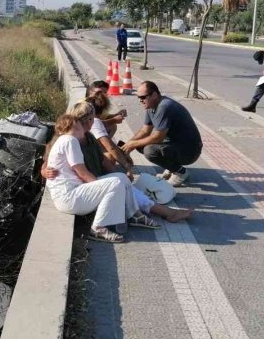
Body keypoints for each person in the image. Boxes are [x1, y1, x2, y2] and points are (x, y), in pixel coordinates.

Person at [42, 103, 193, 225]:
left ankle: (147, 214)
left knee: (128, 187)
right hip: (83, 188)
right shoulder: (67, 139)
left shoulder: (88, 136)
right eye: (88, 119)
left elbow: (103, 159)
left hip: (93, 181)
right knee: (132, 192)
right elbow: (49, 160)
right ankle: (167, 213)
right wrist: (44, 171)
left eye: (91, 119)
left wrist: (120, 174)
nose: (91, 122)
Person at [44, 114, 158, 243]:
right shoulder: (70, 140)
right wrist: (103, 187)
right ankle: (98, 228)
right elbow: (82, 173)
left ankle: (133, 214)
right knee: (115, 182)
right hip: (69, 198)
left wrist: (105, 186)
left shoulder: (64, 140)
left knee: (121, 178)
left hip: (71, 193)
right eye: (77, 127)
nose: (81, 130)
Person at [121, 81, 202, 187]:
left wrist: (133, 144)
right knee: (139, 145)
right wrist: (128, 145)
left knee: (149, 150)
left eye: (143, 97)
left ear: (154, 95)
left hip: (190, 150)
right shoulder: (151, 106)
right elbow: (145, 130)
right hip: (176, 144)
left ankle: (180, 172)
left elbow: (158, 137)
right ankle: (171, 168)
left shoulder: (165, 106)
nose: (140, 100)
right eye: (138, 97)